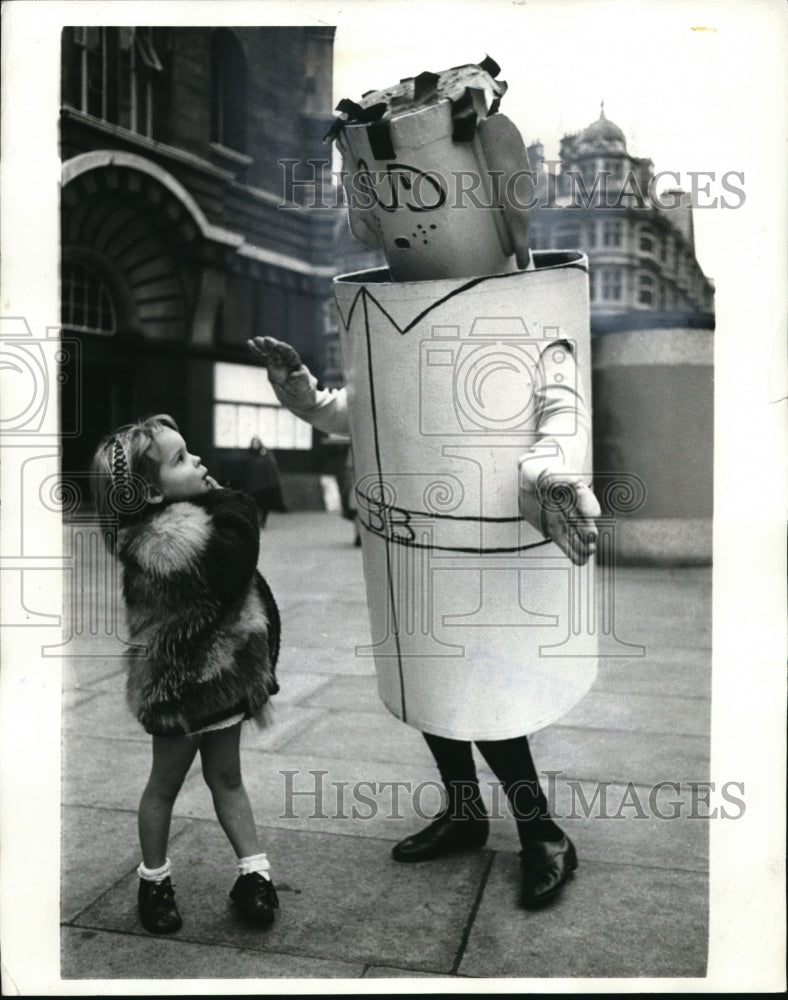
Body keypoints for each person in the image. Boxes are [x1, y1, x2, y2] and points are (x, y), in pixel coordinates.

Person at [248, 335, 600, 909]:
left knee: (483, 688)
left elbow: (563, 410)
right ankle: (465, 811)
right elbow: (357, 412)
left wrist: (548, 472)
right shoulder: (409, 335)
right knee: (430, 678)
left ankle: (542, 830)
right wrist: (301, 389)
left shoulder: (521, 325)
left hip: (489, 535)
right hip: (416, 540)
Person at [90, 414, 281, 935]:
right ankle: (154, 880)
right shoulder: (167, 542)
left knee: (227, 778)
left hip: (216, 680)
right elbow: (235, 556)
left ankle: (254, 873)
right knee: (164, 787)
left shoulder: (182, 521)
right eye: (180, 459)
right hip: (180, 689)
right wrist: (232, 500)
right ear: (152, 494)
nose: (196, 460)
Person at [245, 435, 285, 528]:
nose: (255, 445)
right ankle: (257, 520)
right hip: (253, 484)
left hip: (264, 484)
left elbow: (271, 467)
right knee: (254, 503)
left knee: (264, 504)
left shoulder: (265, 454)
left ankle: (263, 520)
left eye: (257, 443)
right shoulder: (249, 454)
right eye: (254, 443)